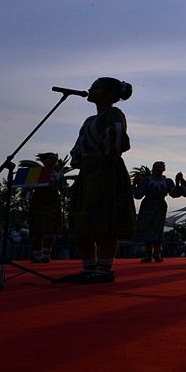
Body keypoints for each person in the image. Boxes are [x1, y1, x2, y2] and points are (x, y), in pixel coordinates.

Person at [59, 77, 135, 283]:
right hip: (88, 172)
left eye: (96, 87)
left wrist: (99, 159)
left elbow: (117, 144)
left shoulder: (114, 114)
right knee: (83, 219)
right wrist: (80, 161)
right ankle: (89, 267)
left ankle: (104, 269)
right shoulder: (89, 121)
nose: (90, 89)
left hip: (107, 170)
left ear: (110, 95)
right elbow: (78, 149)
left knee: (106, 219)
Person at [23, 152, 68, 263]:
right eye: (51, 158)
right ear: (44, 160)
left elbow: (64, 191)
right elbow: (26, 191)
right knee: (37, 230)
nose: (54, 160)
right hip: (38, 204)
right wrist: (27, 191)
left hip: (53, 204)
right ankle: (37, 255)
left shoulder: (58, 175)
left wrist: (69, 190)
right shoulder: (35, 174)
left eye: (55, 158)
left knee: (50, 230)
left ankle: (46, 255)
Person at [133, 161, 180, 263]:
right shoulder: (146, 180)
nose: (158, 169)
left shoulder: (167, 181)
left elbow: (174, 194)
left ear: (164, 169)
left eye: (160, 167)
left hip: (160, 206)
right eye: (156, 167)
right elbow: (138, 195)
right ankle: (148, 254)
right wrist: (135, 185)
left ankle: (157, 253)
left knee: (158, 230)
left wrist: (178, 183)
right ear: (153, 168)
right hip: (147, 205)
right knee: (146, 229)